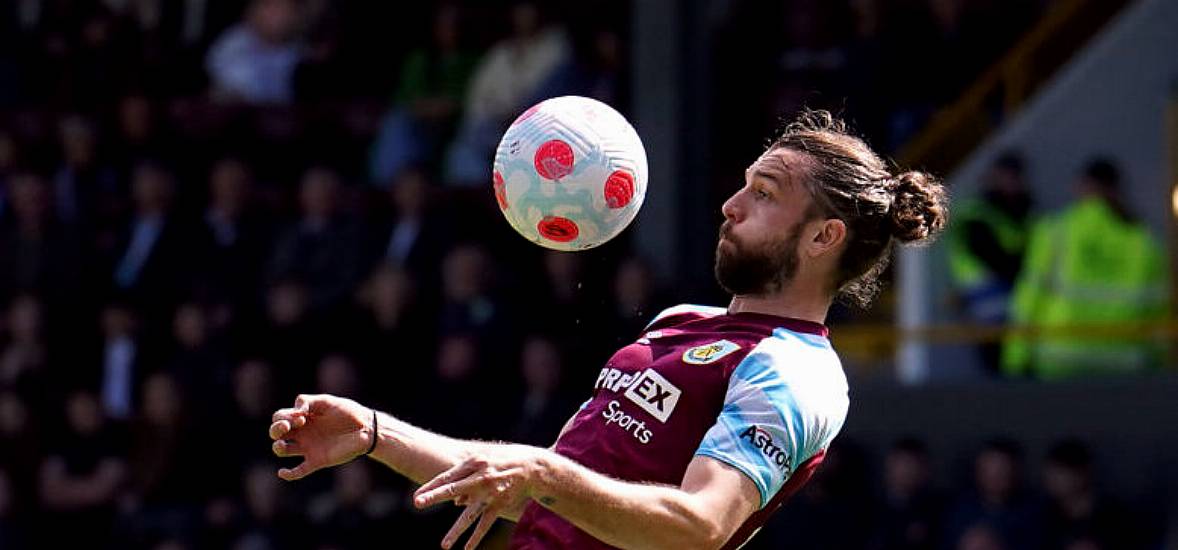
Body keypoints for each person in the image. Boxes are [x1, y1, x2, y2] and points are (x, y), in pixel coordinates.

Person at [267, 110, 948, 548]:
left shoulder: (793, 371)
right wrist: (378, 435)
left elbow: (703, 524)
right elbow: (541, 489)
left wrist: (543, 472)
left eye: (764, 194)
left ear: (824, 236)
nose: (730, 205)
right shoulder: (683, 324)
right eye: (744, 185)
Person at [1002, 158, 1168, 378]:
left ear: (1082, 186)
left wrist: (1014, 359)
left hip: (1060, 359)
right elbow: (1159, 311)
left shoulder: (1055, 231)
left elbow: (1030, 298)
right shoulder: (1144, 242)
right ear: (1116, 189)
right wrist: (1163, 364)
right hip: (1121, 362)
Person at [946, 152, 1032, 372]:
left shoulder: (1024, 211)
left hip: (1016, 301)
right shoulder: (978, 213)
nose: (1012, 182)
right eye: (1007, 175)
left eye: (1016, 176)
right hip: (986, 300)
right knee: (995, 364)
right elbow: (994, 257)